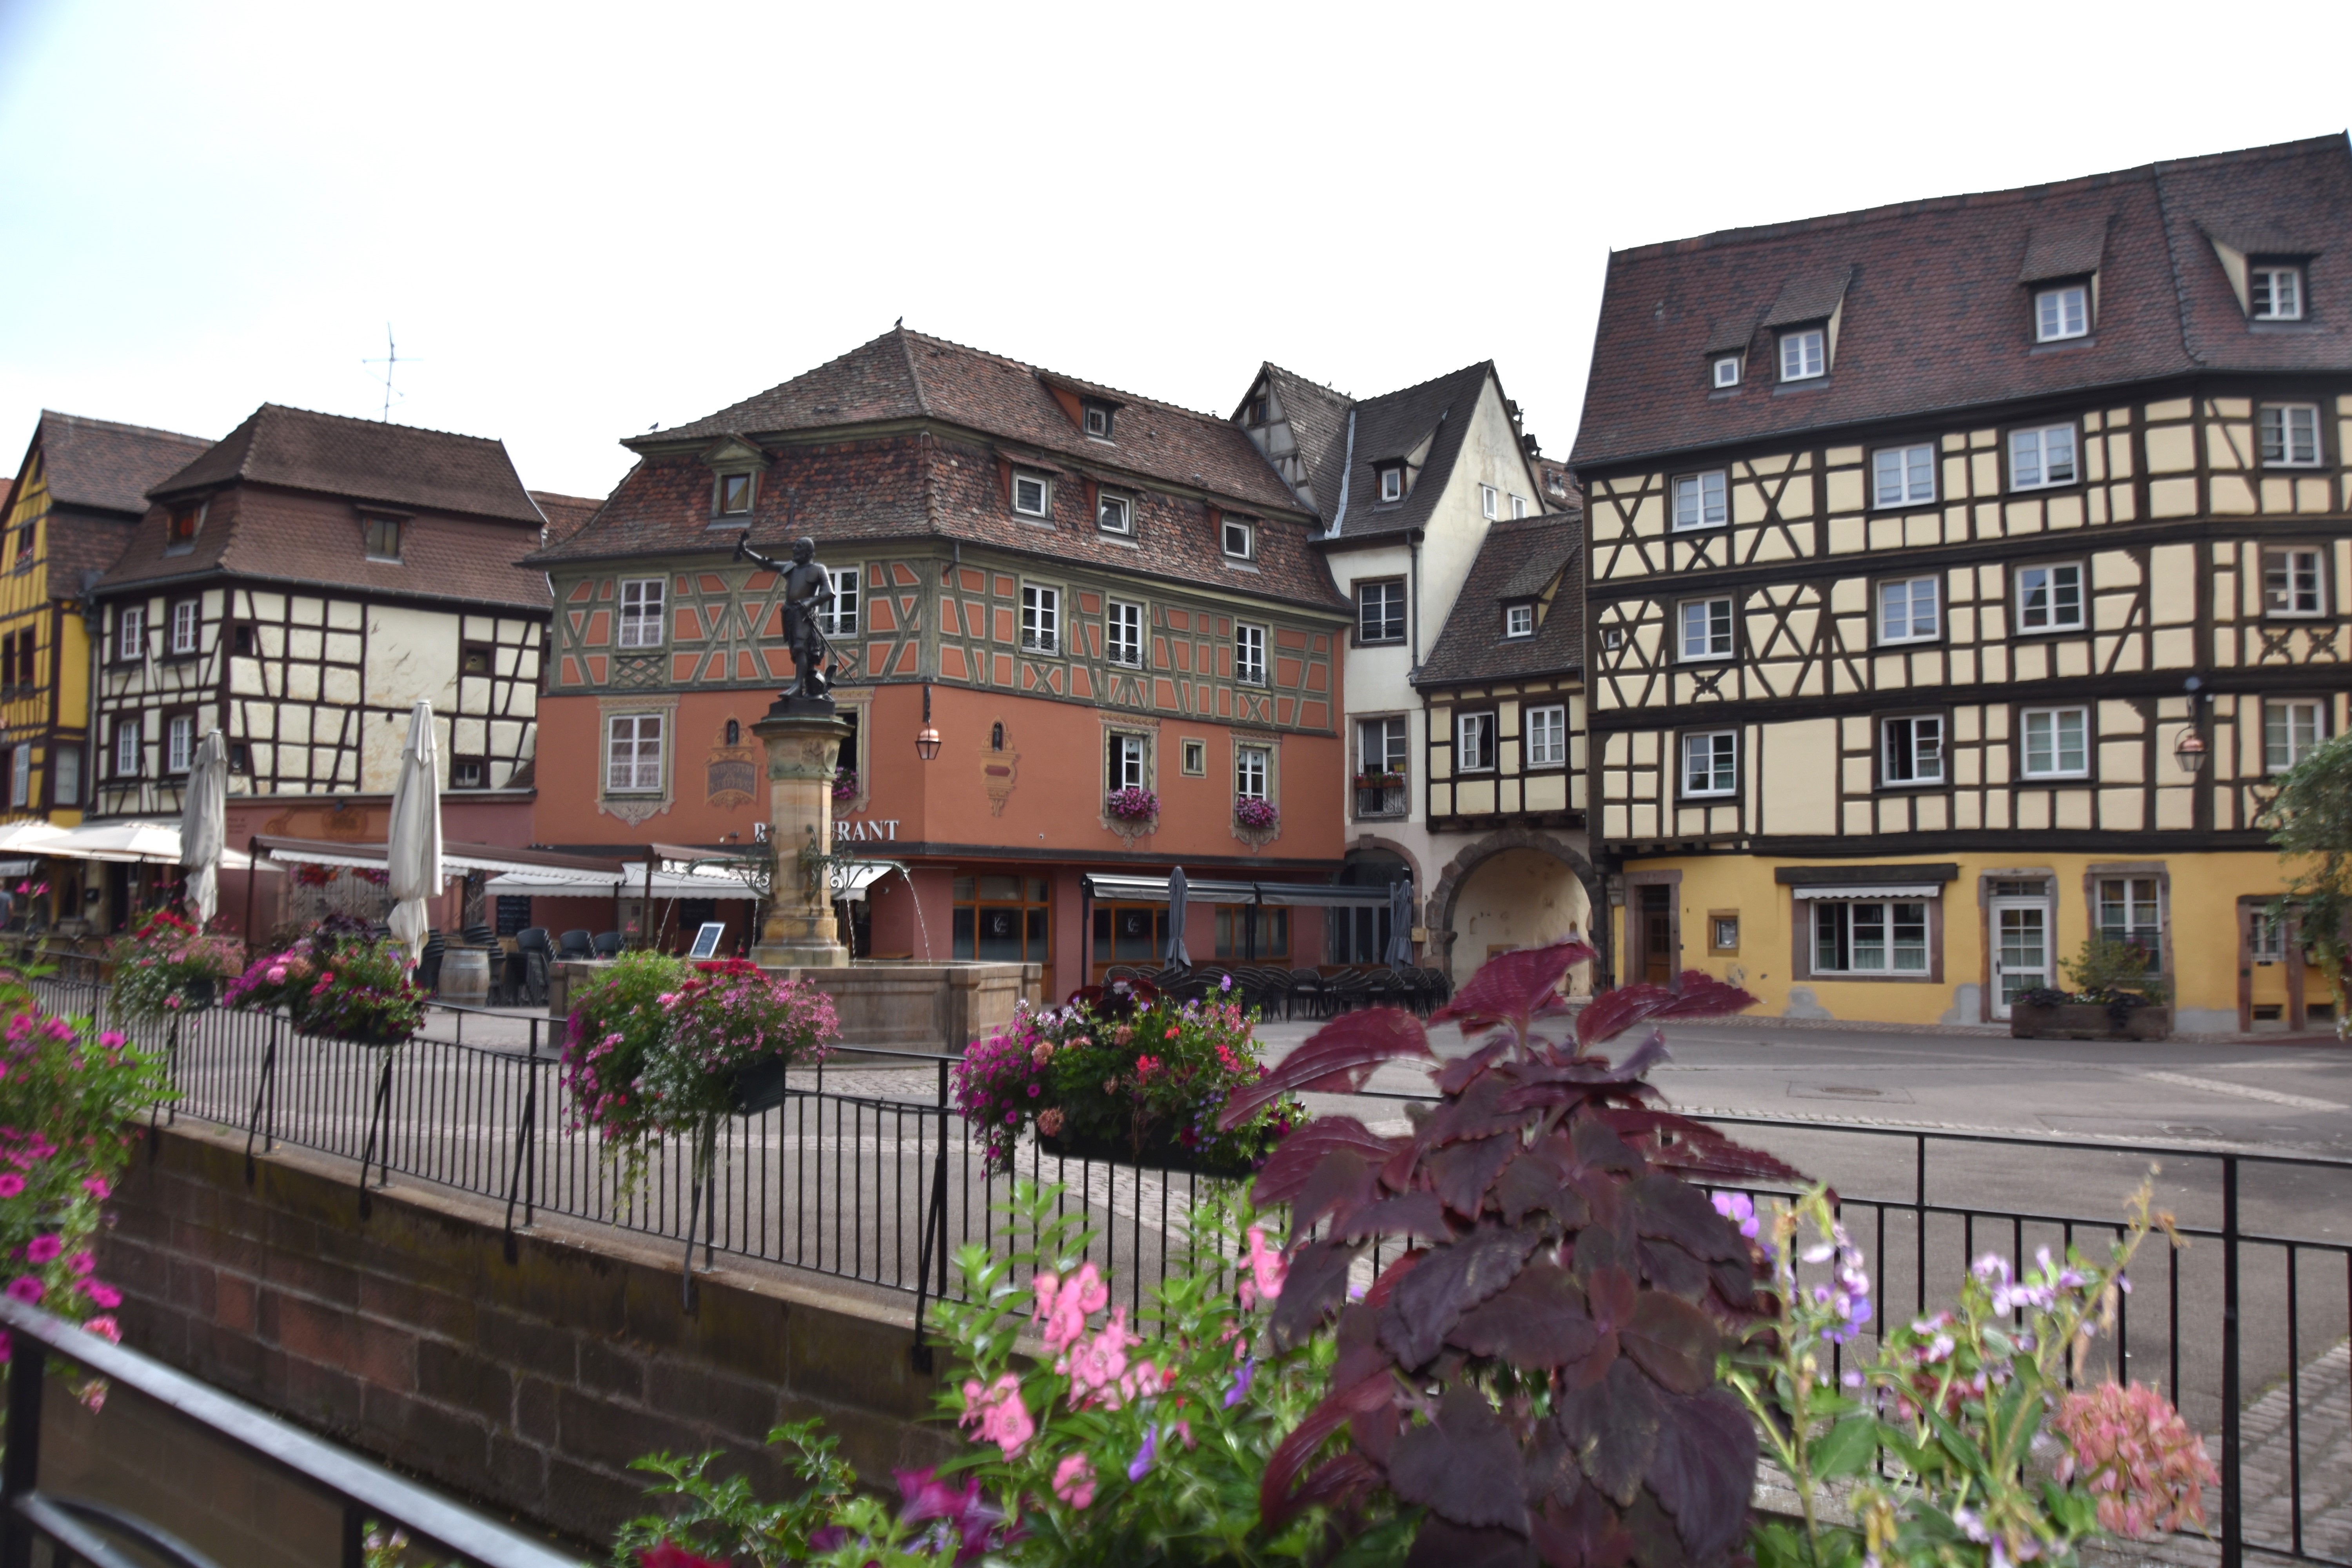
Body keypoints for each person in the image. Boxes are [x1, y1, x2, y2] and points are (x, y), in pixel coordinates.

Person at [733, 532, 837, 701]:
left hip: (805, 614)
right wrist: (745, 551)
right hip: (791, 614)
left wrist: (810, 603)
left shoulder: (818, 570)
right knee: (797, 651)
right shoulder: (791, 568)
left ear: (808, 552)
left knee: (801, 648)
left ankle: (798, 687)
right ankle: (808, 686)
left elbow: (829, 593)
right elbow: (766, 564)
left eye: (799, 547)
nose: (794, 549)